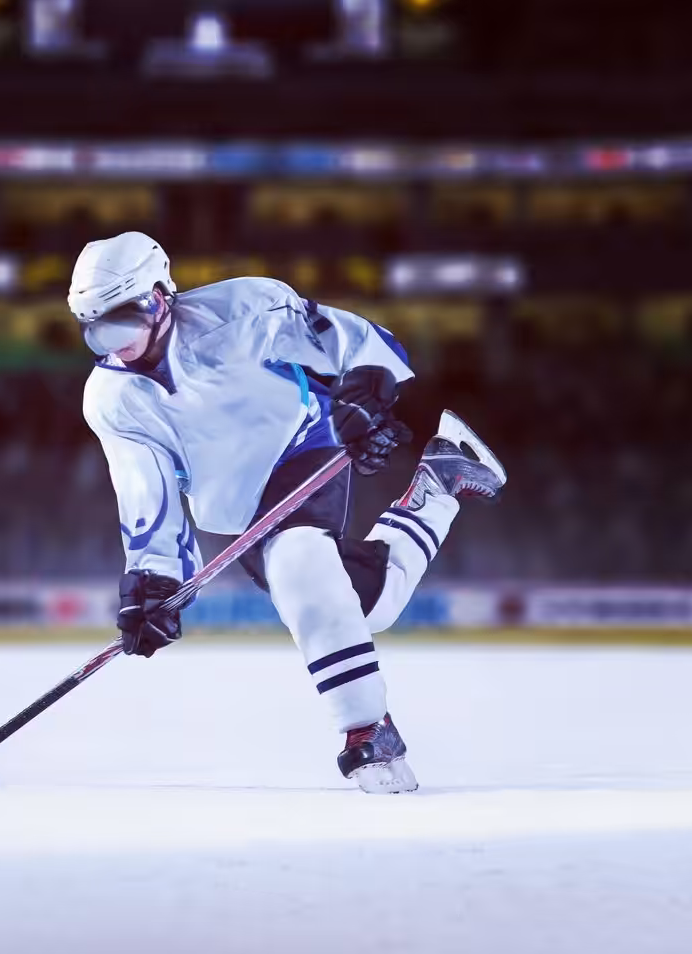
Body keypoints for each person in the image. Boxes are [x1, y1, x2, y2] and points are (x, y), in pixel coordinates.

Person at [72, 232, 506, 793]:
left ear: (159, 296)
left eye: (121, 321)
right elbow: (145, 493)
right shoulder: (109, 399)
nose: (114, 343)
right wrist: (153, 583)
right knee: (359, 607)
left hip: (302, 446)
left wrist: (366, 391)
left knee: (302, 562)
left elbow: (358, 343)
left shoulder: (244, 309)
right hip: (233, 507)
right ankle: (439, 486)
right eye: (96, 330)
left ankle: (368, 733)